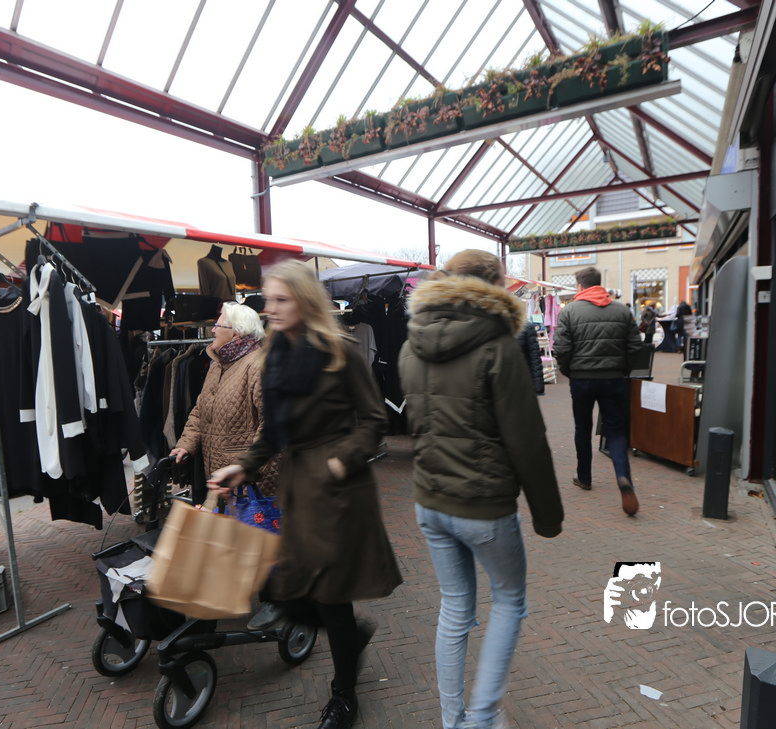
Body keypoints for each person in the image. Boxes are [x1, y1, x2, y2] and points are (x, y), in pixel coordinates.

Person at [208, 260, 402, 729]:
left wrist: (340, 459)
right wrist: (243, 466)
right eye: (269, 300)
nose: (271, 308)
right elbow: (273, 432)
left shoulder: (340, 352)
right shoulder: (273, 355)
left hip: (337, 492)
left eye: (282, 300)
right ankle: (350, 635)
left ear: (305, 301)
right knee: (282, 590)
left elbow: (375, 421)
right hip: (296, 487)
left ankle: (343, 697)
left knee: (330, 596)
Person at [398, 250, 564, 729]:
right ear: (495, 286)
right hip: (483, 505)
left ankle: (453, 721)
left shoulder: (411, 344)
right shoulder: (498, 345)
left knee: (455, 608)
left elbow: (417, 425)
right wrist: (547, 515)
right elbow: (527, 439)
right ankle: (483, 718)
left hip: (430, 500)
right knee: (509, 600)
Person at [553, 266, 644, 516]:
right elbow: (635, 346)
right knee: (615, 430)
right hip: (613, 378)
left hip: (582, 379)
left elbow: (561, 348)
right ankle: (623, 477)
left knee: (582, 428)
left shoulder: (569, 311)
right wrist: (622, 369)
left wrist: (570, 371)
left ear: (580, 286)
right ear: (599, 283)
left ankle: (584, 477)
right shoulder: (621, 310)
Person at [170, 301, 278, 495]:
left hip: (250, 486)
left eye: (218, 325)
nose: (213, 330)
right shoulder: (217, 366)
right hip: (222, 481)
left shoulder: (258, 366)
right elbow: (200, 411)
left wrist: (249, 468)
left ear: (236, 333)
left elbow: (271, 426)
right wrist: (186, 445)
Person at [515, 319, 546, 395]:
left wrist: (538, 386)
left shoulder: (526, 327)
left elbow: (535, 358)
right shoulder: (492, 327)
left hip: (522, 384)